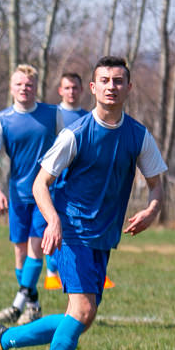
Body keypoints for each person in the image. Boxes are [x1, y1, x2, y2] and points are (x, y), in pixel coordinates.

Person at [0, 56, 166, 350]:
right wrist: (53, 221)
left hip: (104, 235)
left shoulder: (138, 135)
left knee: (82, 316)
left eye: (118, 81)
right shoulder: (76, 133)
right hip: (71, 230)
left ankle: (2, 339)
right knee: (81, 310)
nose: (112, 86)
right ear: (93, 88)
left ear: (129, 87)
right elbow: (40, 184)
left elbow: (157, 184)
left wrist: (152, 209)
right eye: (105, 81)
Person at [0, 64, 63, 325]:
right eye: (19, 84)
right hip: (17, 195)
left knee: (35, 249)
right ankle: (33, 305)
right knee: (20, 252)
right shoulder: (1, 120)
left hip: (46, 194)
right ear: (11, 87)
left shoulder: (53, 115)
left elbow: (69, 148)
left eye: (28, 85)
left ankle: (17, 305)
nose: (24, 89)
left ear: (36, 87)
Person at [45, 73, 116, 291]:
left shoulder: (89, 117)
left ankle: (95, 273)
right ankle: (51, 274)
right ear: (60, 90)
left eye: (75, 88)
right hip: (56, 180)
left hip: (82, 184)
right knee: (57, 227)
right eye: (67, 88)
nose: (71, 92)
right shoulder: (53, 115)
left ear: (83, 90)